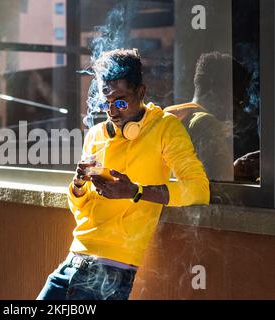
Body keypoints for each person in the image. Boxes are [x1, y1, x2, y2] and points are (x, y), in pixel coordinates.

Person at [37, 48, 210, 300]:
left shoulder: (165, 128)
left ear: (141, 92)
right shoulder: (96, 134)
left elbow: (199, 189)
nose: (113, 112)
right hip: (72, 262)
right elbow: (80, 210)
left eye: (120, 101)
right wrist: (77, 185)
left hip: (112, 272)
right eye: (106, 103)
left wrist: (135, 191)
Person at [165, 52, 256, 182]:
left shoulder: (173, 115)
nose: (238, 109)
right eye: (238, 99)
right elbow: (220, 188)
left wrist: (234, 168)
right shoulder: (205, 124)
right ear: (216, 89)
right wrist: (235, 172)